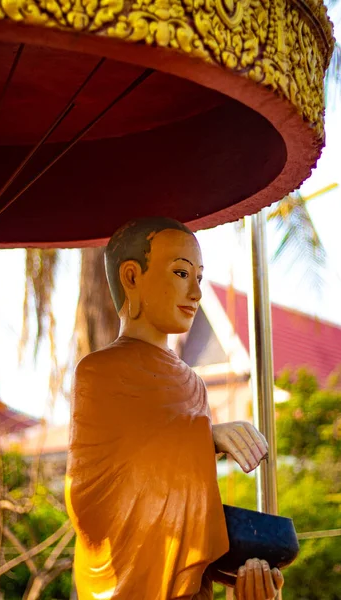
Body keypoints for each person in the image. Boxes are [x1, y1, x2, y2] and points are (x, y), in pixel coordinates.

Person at [65, 217, 284, 600]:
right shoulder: (99, 374)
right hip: (125, 579)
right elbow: (89, 496)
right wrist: (205, 438)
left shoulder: (193, 384)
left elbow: (190, 507)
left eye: (199, 276)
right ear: (132, 278)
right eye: (182, 272)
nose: (196, 292)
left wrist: (236, 574)